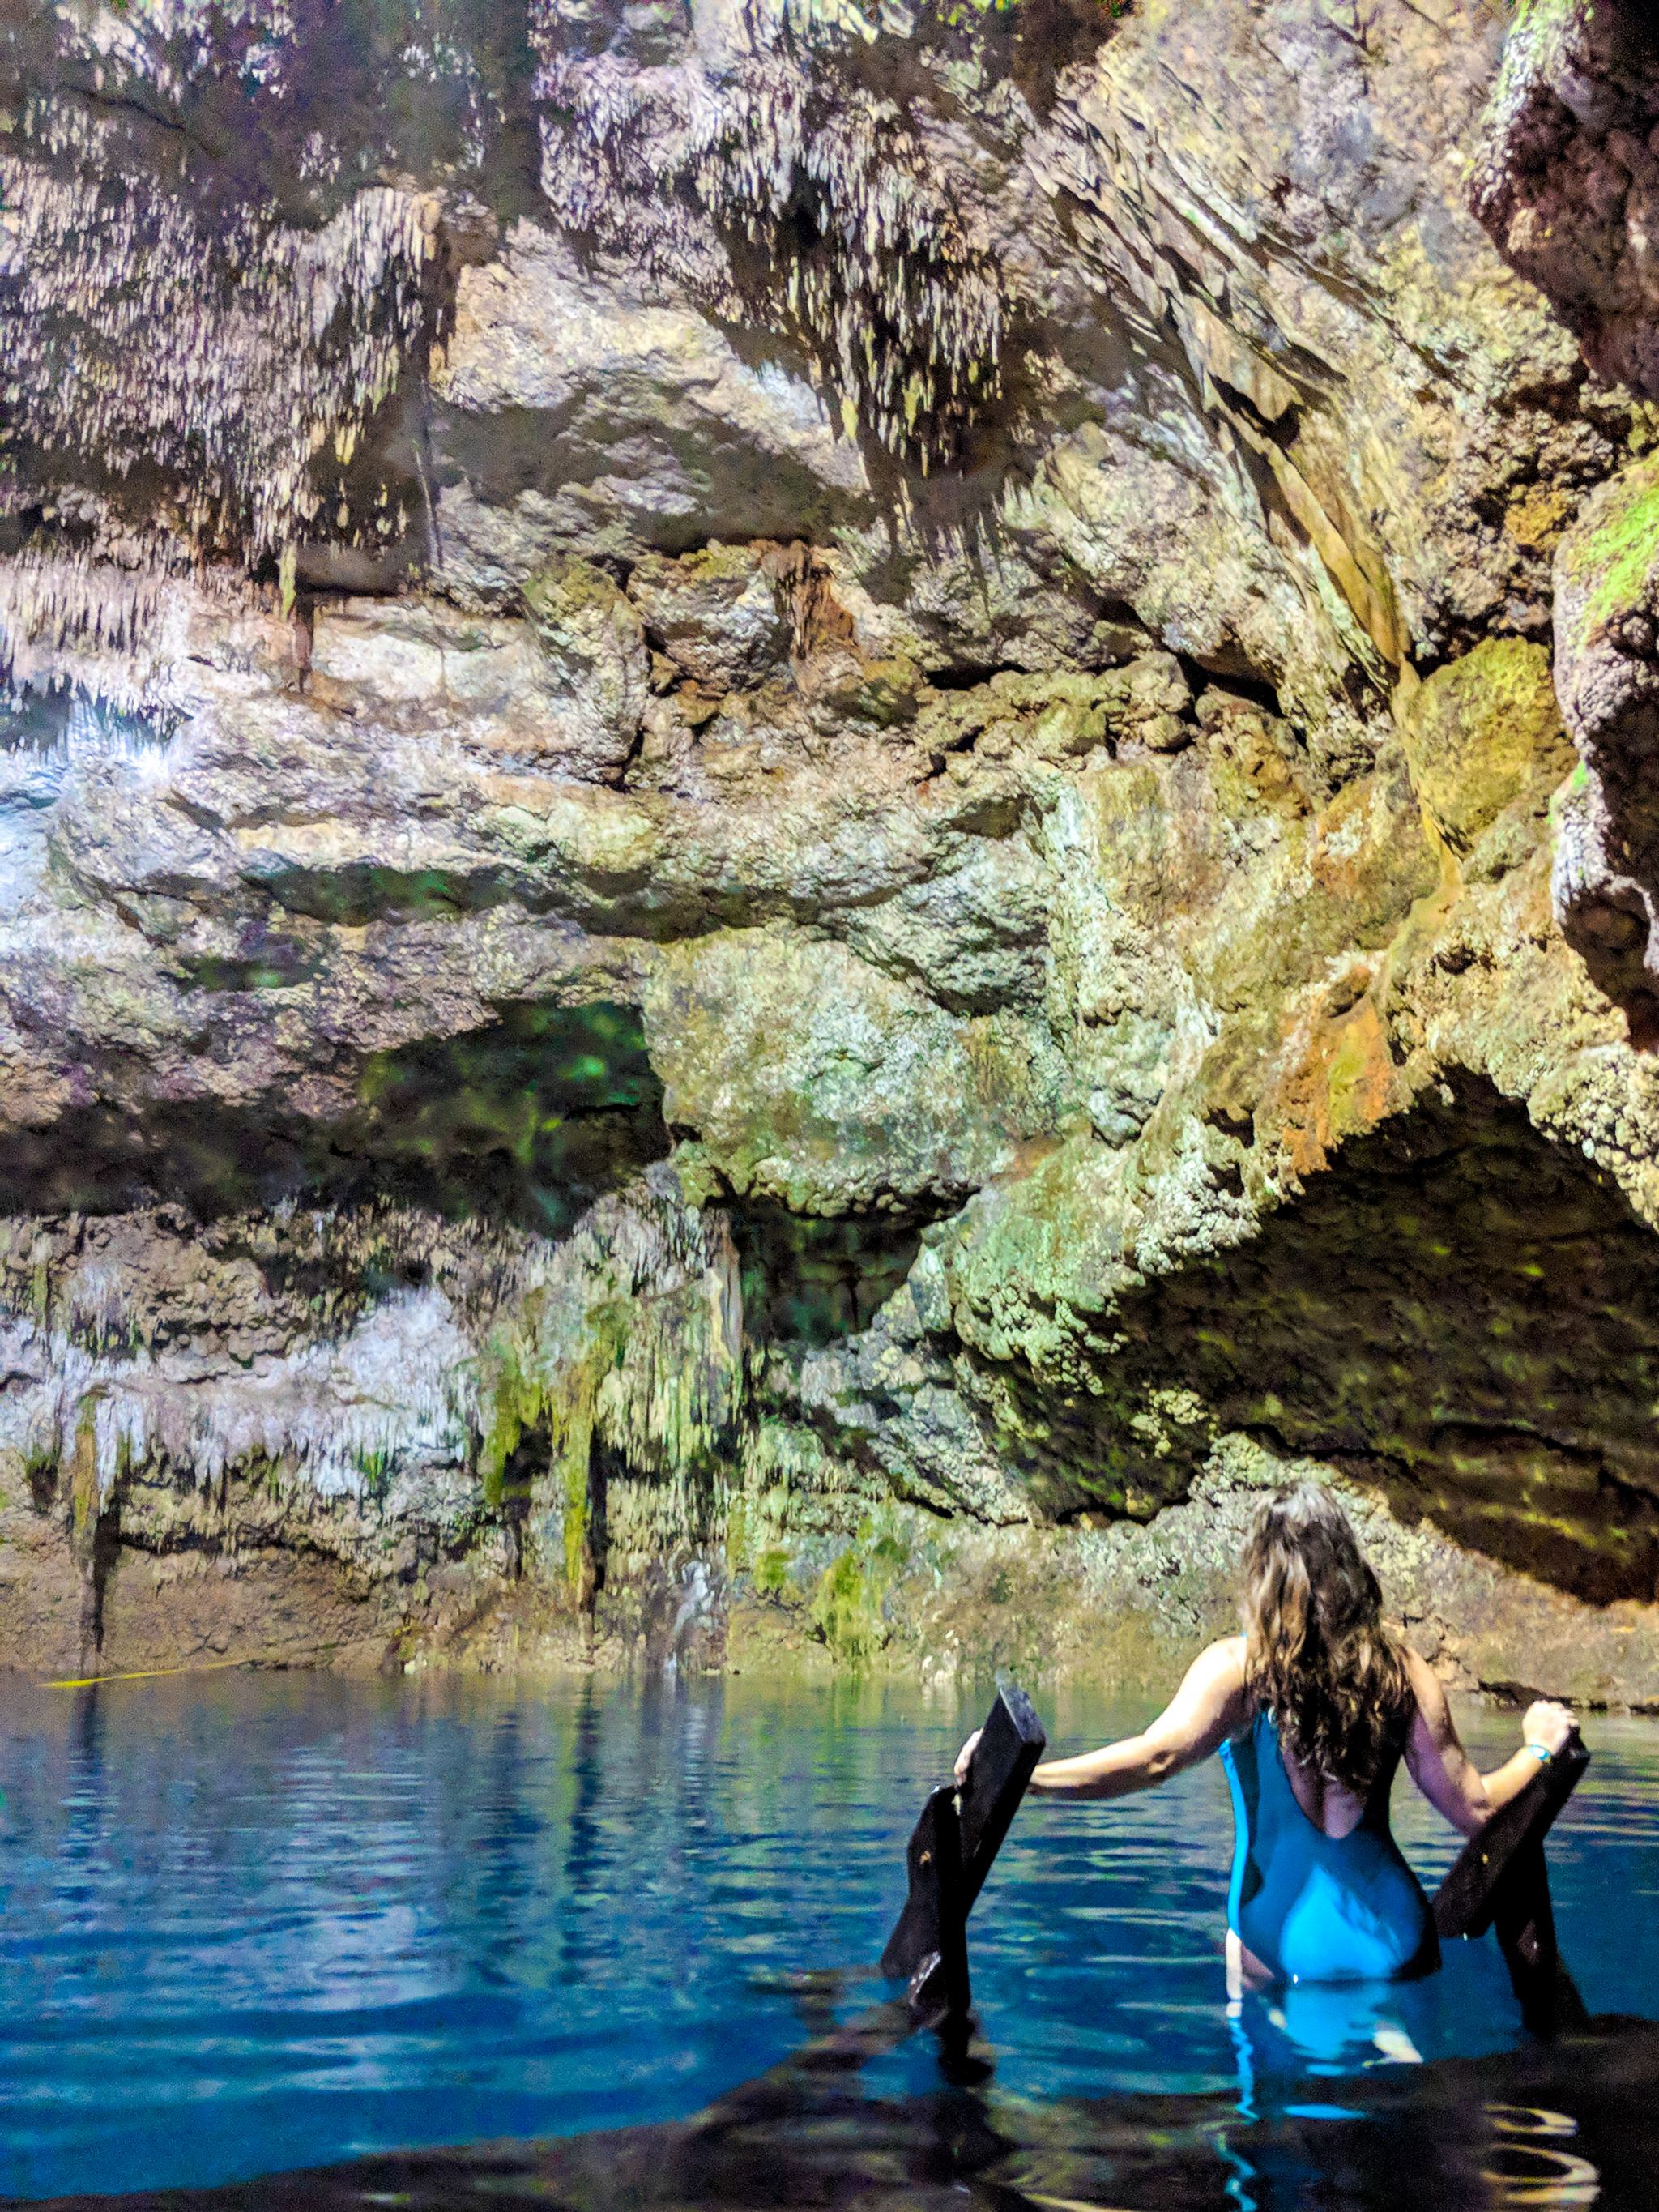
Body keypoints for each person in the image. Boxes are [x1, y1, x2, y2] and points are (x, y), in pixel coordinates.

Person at [954, 1483, 1581, 1988]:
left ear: (1265, 1580)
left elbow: (1154, 1759)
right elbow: (1476, 1807)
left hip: (1280, 1951)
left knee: (1268, 2126)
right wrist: (1540, 1743)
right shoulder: (1402, 1670)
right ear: (1349, 1567)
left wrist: (1025, 1778)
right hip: (1397, 1944)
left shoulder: (1240, 1672)